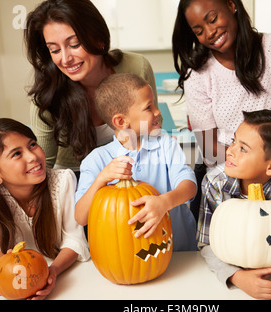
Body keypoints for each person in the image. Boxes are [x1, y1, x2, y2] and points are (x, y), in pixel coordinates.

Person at [0, 0, 158, 223]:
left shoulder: (136, 67)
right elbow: (41, 166)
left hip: (133, 174)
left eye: (75, 44)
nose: (65, 59)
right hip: (75, 185)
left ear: (98, 38)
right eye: (54, 50)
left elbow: (151, 128)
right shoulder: (48, 98)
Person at [172, 0, 271, 216]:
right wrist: (254, 171)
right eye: (199, 31)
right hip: (222, 176)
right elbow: (210, 151)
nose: (210, 32)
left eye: (213, 19)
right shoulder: (197, 74)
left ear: (231, 5)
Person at [197, 110, 271, 300]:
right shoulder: (214, 182)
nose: (230, 150)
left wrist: (265, 271)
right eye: (234, 141)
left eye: (243, 149)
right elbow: (206, 241)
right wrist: (237, 276)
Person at [0, 118, 90, 300]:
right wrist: (4, 270)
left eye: (32, 145)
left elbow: (74, 240)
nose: (32, 156)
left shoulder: (64, 180)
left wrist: (52, 272)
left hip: (70, 274)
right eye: (17, 154)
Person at [75, 73, 198, 251]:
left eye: (154, 104)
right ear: (121, 121)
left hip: (179, 253)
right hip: (127, 259)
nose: (157, 111)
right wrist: (101, 179)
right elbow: (81, 217)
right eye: (148, 107)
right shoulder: (97, 160)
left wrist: (164, 202)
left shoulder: (166, 144)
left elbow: (189, 187)